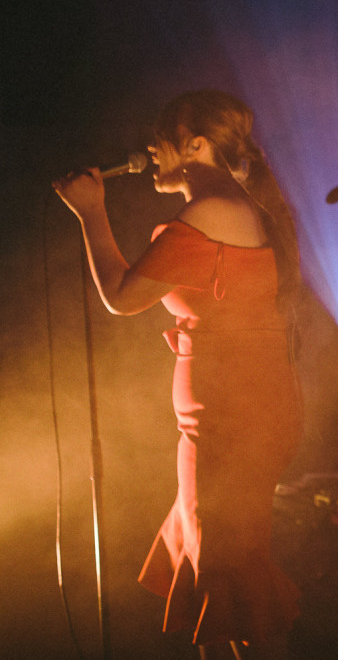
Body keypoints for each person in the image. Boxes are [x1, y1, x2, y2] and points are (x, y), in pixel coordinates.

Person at [53, 90, 303, 659]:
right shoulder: (228, 207)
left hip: (234, 423)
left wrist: (91, 211)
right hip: (232, 420)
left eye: (160, 137)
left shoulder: (212, 212)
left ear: (194, 145)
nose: (148, 149)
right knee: (211, 571)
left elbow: (121, 296)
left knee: (230, 579)